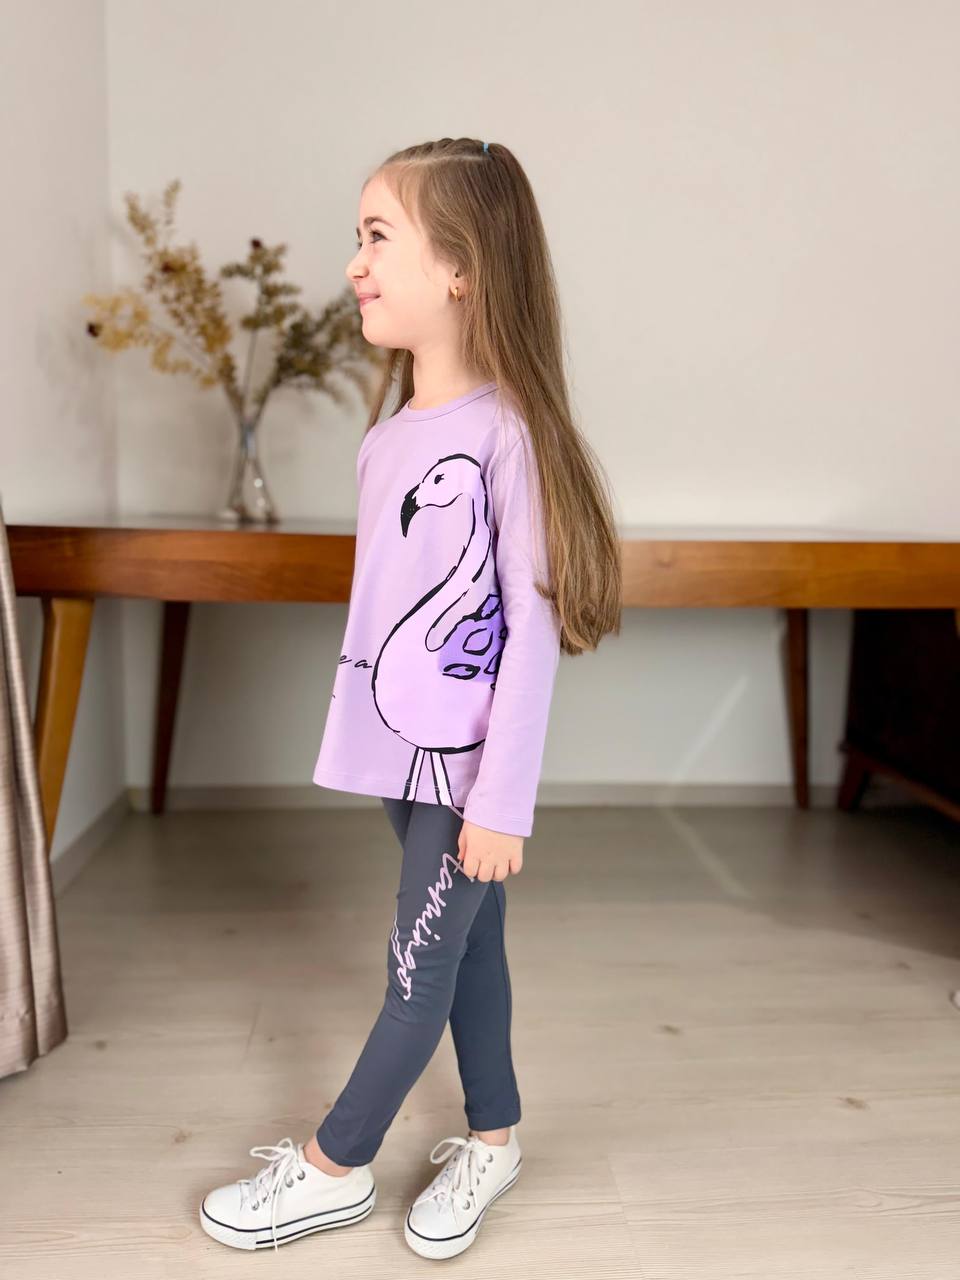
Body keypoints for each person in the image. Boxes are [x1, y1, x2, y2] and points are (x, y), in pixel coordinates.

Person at [199, 136, 622, 1257]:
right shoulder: (389, 440)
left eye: (378, 236)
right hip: (402, 752)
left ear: (463, 268)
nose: (354, 263)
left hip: (461, 770)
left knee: (416, 968)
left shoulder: (508, 436)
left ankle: (333, 1165)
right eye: (358, 238)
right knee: (470, 950)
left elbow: (530, 633)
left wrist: (501, 802)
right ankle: (495, 1137)